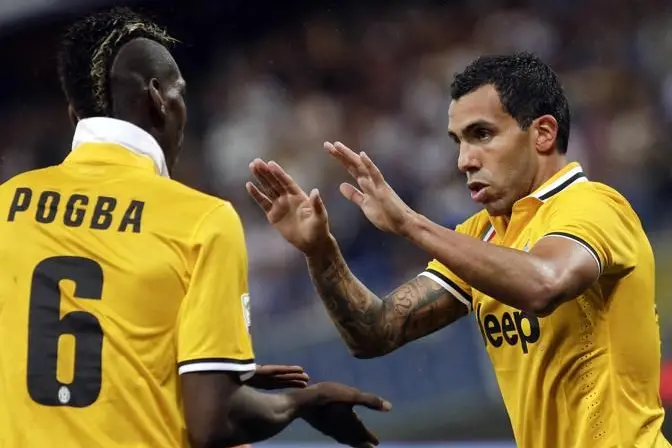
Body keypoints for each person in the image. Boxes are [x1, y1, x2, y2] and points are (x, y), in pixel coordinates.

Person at [0, 7, 391, 448]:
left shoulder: (7, 203)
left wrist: (178, 370)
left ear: (77, 117)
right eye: (180, 91)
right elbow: (214, 422)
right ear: (157, 98)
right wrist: (304, 402)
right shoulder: (200, 220)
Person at [247, 52, 670, 448]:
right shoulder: (481, 236)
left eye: (481, 134)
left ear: (542, 133)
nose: (464, 160)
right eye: (458, 141)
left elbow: (545, 282)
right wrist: (320, 251)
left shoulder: (594, 206)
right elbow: (377, 331)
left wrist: (409, 224)